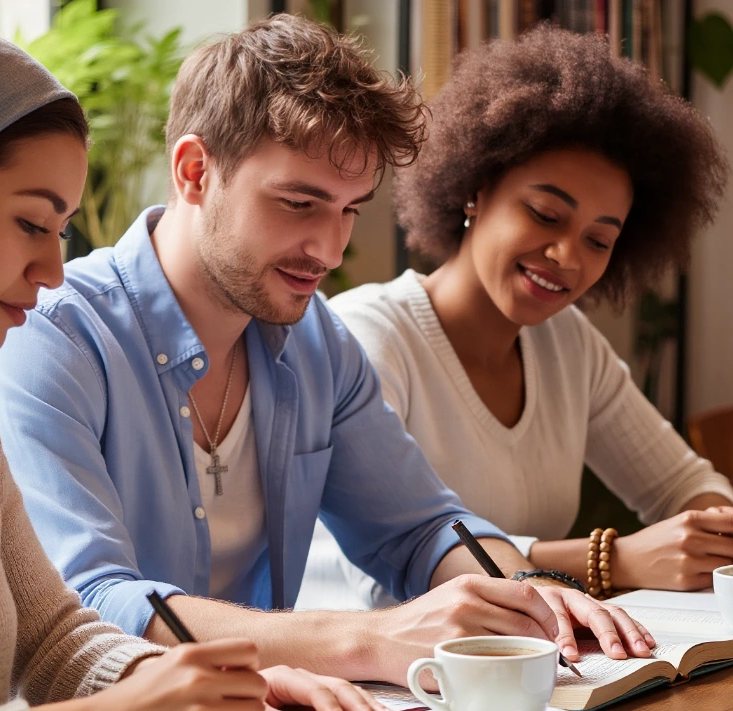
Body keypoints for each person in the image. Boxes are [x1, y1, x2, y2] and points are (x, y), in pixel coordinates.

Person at [0, 14, 654, 688]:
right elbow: (91, 605)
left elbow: (421, 526)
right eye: (299, 203)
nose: (330, 249)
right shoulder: (48, 337)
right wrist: (369, 639)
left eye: (349, 209)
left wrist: (530, 593)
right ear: (195, 171)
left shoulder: (317, 341)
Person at [0, 19, 378, 711]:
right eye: (32, 223)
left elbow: (55, 638)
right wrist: (128, 705)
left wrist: (227, 684)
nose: (54, 270)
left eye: (61, 233)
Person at [307, 25, 733, 612]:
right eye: (544, 213)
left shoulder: (567, 346)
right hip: (381, 678)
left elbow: (681, 485)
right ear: (476, 189)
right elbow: (387, 572)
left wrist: (712, 526)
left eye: (599, 240)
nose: (568, 256)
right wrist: (608, 559)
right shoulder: (367, 334)